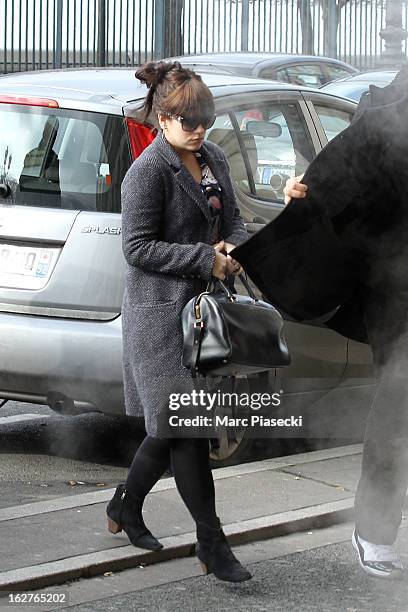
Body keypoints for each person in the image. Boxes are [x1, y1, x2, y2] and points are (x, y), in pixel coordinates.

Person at [106, 60, 251, 583]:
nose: (198, 131)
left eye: (204, 121)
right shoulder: (147, 171)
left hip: (203, 319)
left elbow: (232, 218)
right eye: (187, 122)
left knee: (175, 429)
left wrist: (232, 245)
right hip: (160, 319)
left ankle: (125, 504)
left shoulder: (211, 158)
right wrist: (202, 258)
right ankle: (213, 544)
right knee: (187, 429)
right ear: (162, 118)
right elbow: (137, 248)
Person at [283, 164, 408, 580]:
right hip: (395, 291)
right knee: (398, 403)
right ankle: (375, 531)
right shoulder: (388, 116)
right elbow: (345, 175)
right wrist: (301, 198)